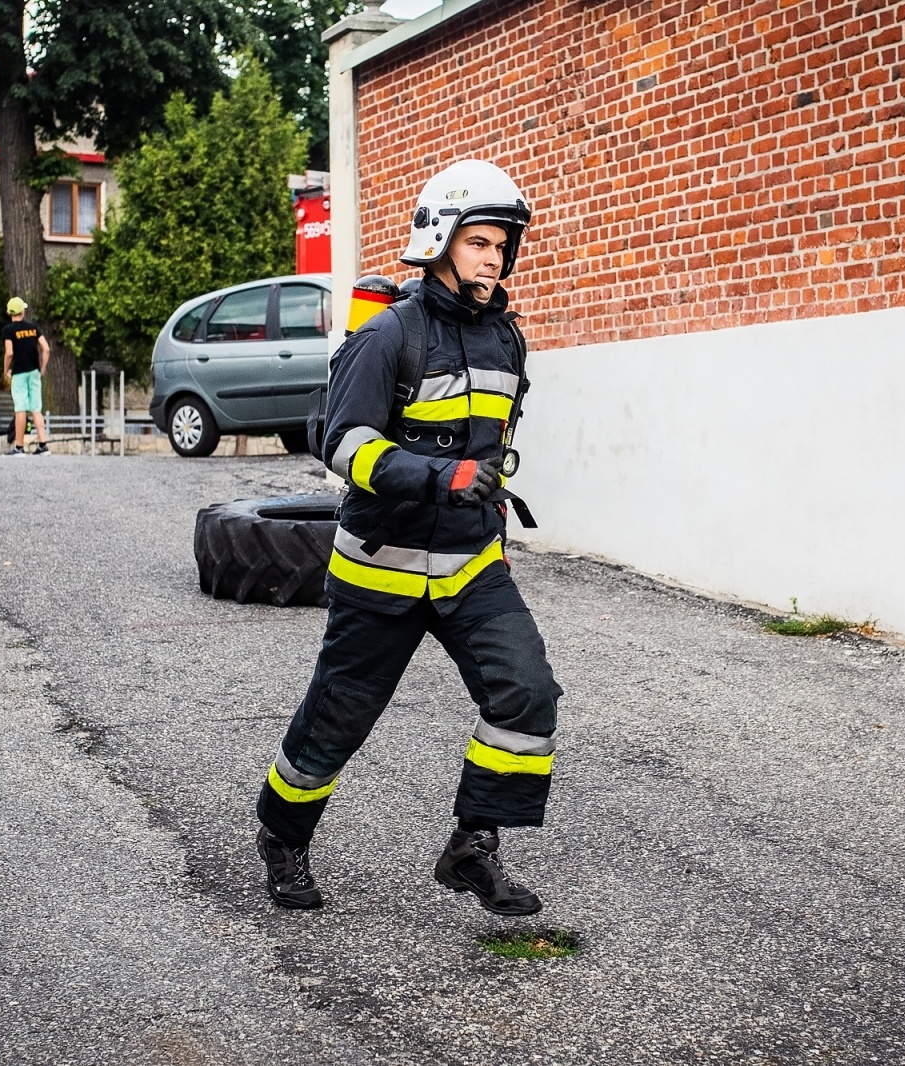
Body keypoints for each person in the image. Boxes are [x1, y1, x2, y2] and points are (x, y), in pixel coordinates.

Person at [254, 160, 560, 916]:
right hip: (379, 570)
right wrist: (438, 477)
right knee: (338, 719)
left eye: (502, 245)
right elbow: (341, 443)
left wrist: (483, 508)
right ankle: (282, 836)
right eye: (479, 242)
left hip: (470, 565)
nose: (493, 258)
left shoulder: (507, 342)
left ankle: (472, 846)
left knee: (525, 692)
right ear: (439, 242)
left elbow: (491, 450)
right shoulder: (390, 334)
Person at [1, 297, 50, 455]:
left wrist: (5, 370)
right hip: (34, 371)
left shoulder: (8, 330)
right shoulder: (33, 328)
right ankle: (43, 444)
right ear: (22, 311)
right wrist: (42, 368)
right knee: (36, 408)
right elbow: (46, 348)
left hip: (19, 372)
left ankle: (19, 446)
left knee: (20, 408)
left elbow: (9, 353)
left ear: (9, 312)